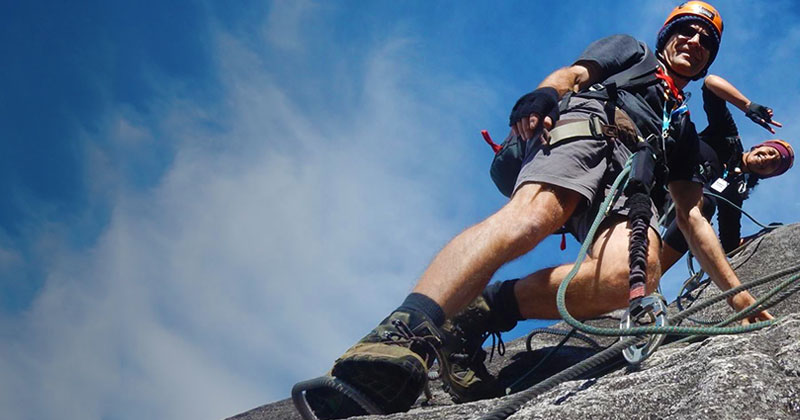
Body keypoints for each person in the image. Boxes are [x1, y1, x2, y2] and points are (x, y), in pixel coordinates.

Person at [303, 2, 773, 417]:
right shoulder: (633, 53)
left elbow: (691, 215)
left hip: (632, 185)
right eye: (685, 31)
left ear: (710, 55)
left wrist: (737, 296)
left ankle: (486, 309)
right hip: (594, 129)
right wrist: (544, 95)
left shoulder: (684, 131)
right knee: (536, 215)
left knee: (626, 278)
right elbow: (575, 74)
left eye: (705, 41)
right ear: (667, 36)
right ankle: (400, 333)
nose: (693, 42)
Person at [660, 74, 792, 270]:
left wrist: (763, 235)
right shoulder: (728, 136)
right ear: (757, 147)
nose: (768, 159)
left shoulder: (735, 192)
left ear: (767, 175)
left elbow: (730, 245)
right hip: (661, 166)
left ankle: (647, 278)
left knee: (703, 213)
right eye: (771, 152)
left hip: (676, 199)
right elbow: (710, 83)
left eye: (774, 164)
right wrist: (748, 106)